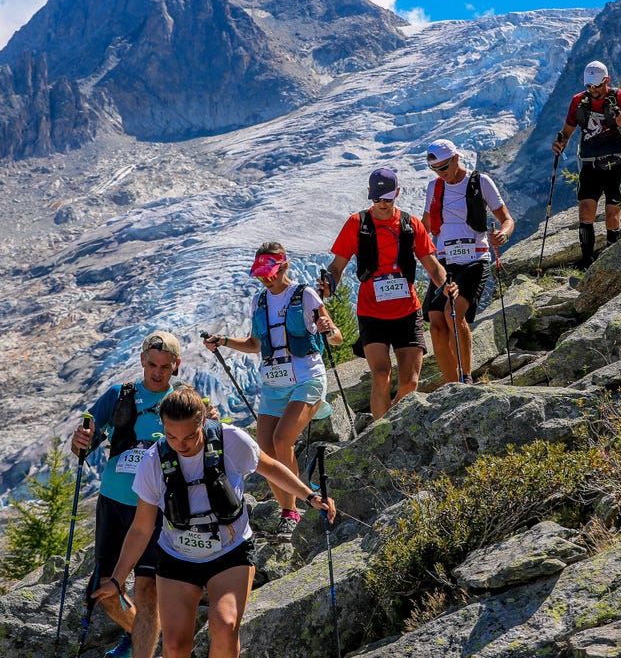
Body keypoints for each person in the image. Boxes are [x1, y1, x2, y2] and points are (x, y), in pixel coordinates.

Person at [92, 386, 337, 658]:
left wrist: (310, 496)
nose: (180, 444)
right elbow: (140, 529)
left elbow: (270, 467)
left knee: (225, 625)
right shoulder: (153, 460)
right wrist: (117, 579)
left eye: (189, 436)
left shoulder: (230, 440)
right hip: (177, 557)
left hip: (230, 552)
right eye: (171, 436)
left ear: (203, 422)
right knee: (174, 646)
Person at [201, 242, 344, 538]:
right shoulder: (259, 301)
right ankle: (288, 511)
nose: (266, 279)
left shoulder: (305, 294)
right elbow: (255, 345)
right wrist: (224, 340)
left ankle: (304, 501)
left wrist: (330, 329)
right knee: (262, 452)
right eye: (261, 274)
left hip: (307, 378)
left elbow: (337, 339)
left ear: (284, 266)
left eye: (271, 272)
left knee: (281, 441)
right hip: (274, 385)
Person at [69, 330, 188, 658]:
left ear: (175, 366)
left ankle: (142, 649)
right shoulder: (118, 395)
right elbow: (86, 442)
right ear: (142, 361)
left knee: (148, 589)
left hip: (157, 508)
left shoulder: (182, 399)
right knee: (104, 589)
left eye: (165, 366)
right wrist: (79, 442)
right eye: (152, 364)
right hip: (113, 503)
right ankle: (140, 634)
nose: (157, 371)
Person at [321, 167, 455, 420]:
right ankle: (379, 432)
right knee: (381, 375)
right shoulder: (356, 223)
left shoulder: (411, 224)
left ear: (398, 194)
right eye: (377, 199)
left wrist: (447, 285)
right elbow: (336, 266)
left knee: (410, 382)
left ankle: (394, 424)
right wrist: (329, 282)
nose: (382, 204)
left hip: (407, 312)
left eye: (388, 198)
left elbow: (432, 266)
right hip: (372, 312)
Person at [420, 139, 514, 383]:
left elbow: (506, 219)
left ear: (457, 158)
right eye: (436, 169)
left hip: (474, 258)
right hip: (444, 263)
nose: (442, 174)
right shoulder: (434, 187)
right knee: (436, 323)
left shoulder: (481, 182)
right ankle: (452, 384)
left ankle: (466, 376)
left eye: (444, 167)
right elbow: (426, 226)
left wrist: (503, 233)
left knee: (452, 313)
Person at [551, 60, 621, 268]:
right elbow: (568, 129)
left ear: (606, 80)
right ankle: (587, 262)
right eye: (588, 86)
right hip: (590, 162)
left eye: (596, 86)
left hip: (617, 161)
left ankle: (611, 260)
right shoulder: (579, 101)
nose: (592, 90)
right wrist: (560, 143)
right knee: (585, 209)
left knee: (612, 213)